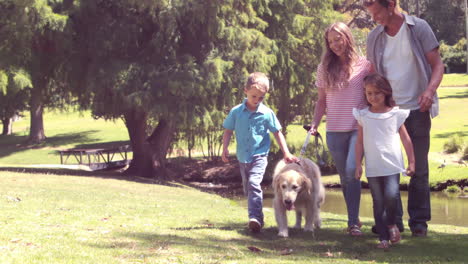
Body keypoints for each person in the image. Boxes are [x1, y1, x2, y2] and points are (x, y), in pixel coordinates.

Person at [363, 0, 444, 237]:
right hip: (387, 114)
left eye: (376, 12)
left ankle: (418, 223)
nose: (374, 18)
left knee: (417, 167)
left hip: (417, 110)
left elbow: (438, 65)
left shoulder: (418, 28)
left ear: (390, 5)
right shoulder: (374, 37)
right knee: (389, 169)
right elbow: (373, 75)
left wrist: (429, 91)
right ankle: (392, 222)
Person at [309, 22, 372, 236]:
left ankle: (353, 222)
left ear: (347, 37)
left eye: (338, 39)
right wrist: (315, 124)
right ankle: (354, 218)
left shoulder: (365, 65)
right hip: (334, 130)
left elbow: (374, 93)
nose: (335, 44)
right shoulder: (324, 68)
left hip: (358, 127)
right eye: (331, 41)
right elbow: (321, 101)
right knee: (344, 178)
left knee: (352, 172)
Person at [222, 72, 298, 233]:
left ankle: (255, 217)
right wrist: (225, 149)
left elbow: (277, 133)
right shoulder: (236, 112)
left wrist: (286, 153)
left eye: (261, 98)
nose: (257, 100)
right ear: (246, 91)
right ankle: (257, 218)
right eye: (254, 96)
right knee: (248, 188)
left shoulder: (266, 113)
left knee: (253, 183)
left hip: (260, 156)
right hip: (243, 157)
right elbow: (228, 130)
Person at [354, 73, 415, 249]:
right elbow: (359, 142)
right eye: (369, 93)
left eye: (377, 93)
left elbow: (406, 139)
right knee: (378, 201)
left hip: (392, 165)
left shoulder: (395, 114)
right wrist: (358, 164)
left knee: (391, 196)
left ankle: (390, 224)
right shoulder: (363, 115)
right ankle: (383, 238)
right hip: (373, 166)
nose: (373, 97)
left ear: (386, 93)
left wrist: (412, 162)